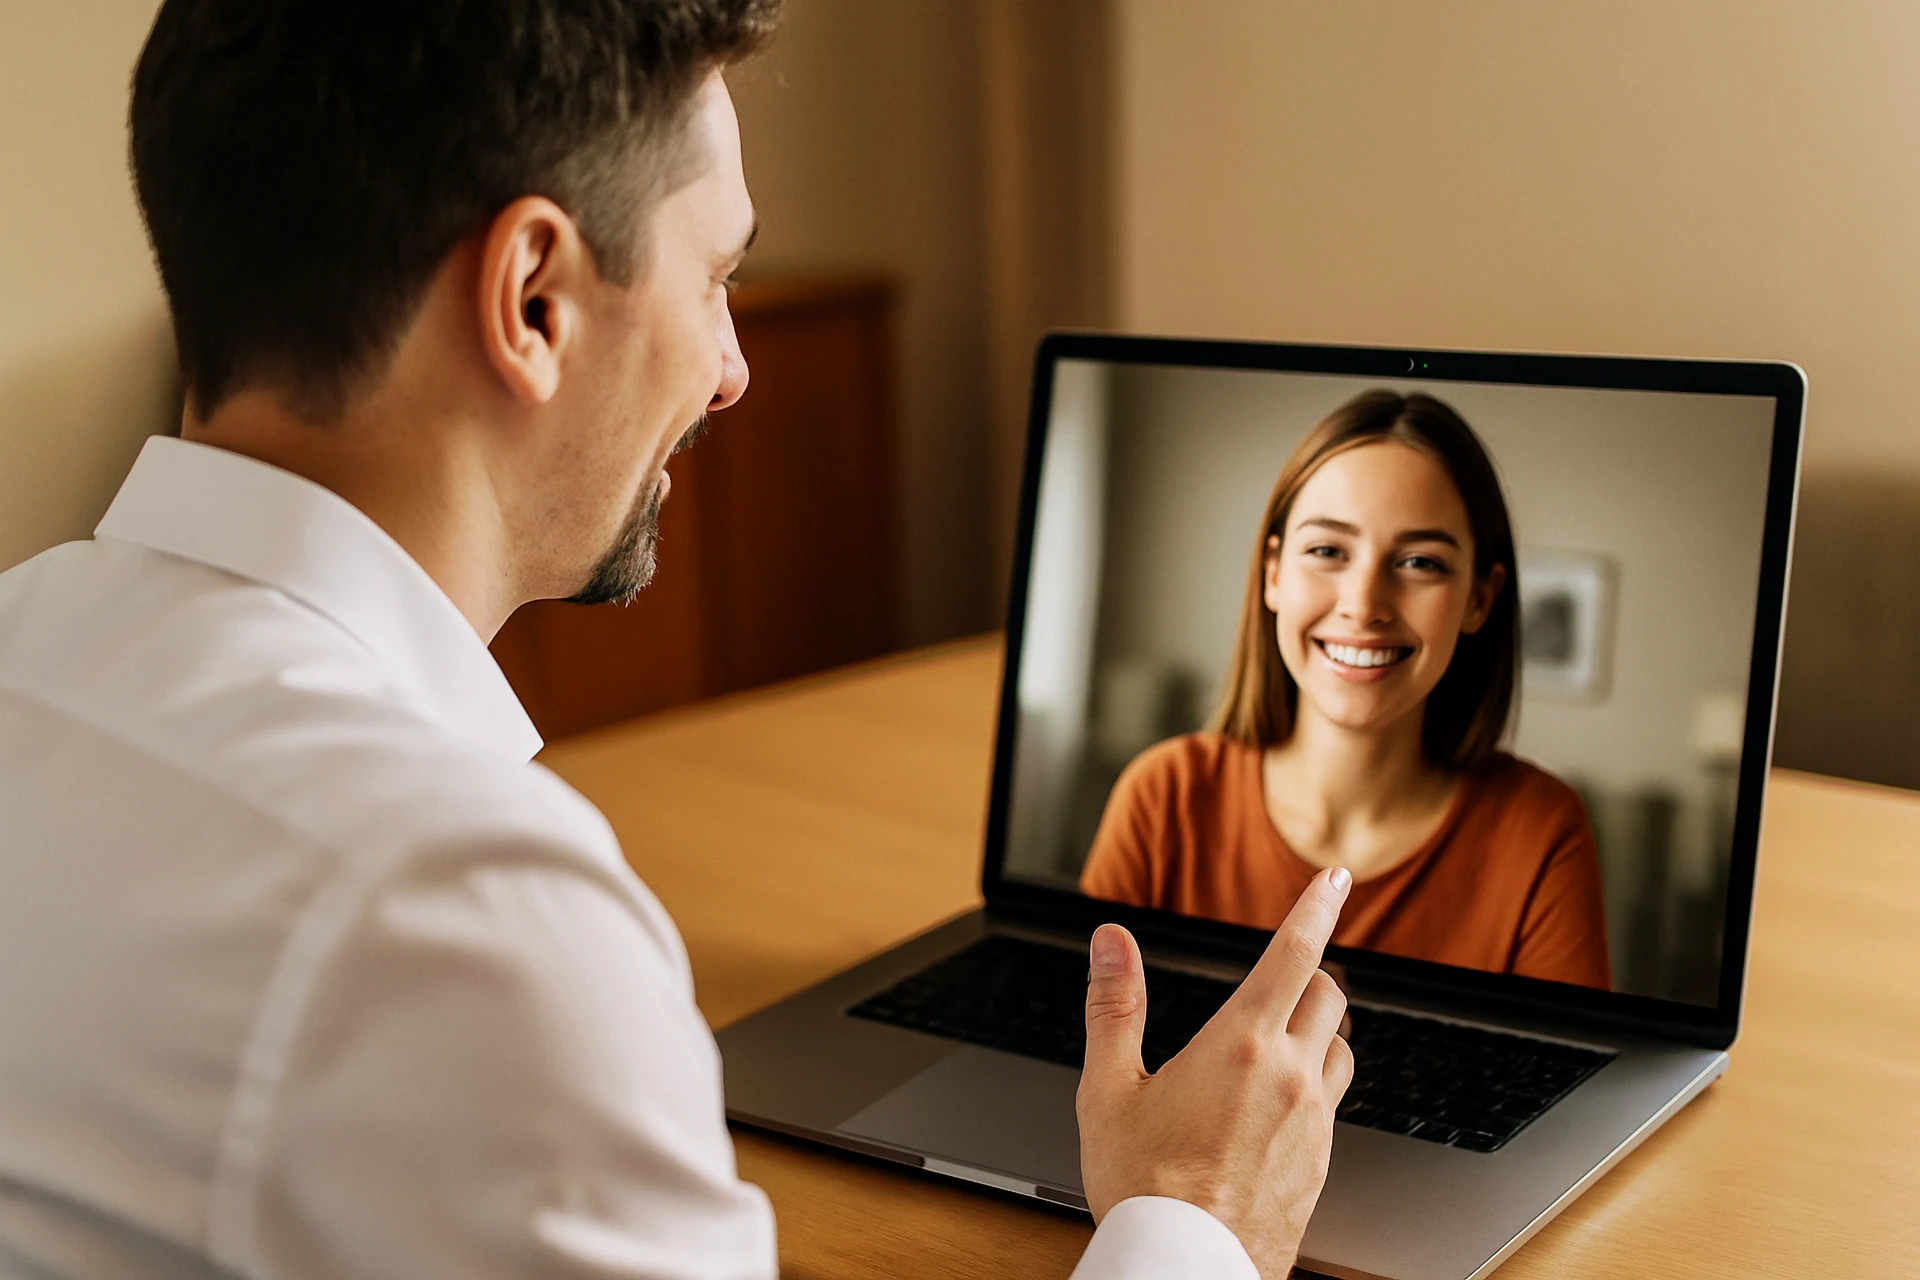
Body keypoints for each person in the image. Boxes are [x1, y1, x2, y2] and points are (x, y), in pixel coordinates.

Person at [0, 3, 1354, 1278]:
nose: (731, 366)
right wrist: (1192, 1225)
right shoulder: (461, 919)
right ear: (534, 297)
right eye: (716, 277)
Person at [1081, 390, 1611, 990]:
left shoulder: (1541, 833)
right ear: (1273, 573)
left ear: (1479, 599)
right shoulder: (1163, 798)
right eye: (1328, 551)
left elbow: (1574, 1078)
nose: (1363, 607)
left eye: (1420, 563)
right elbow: (1081, 1045)